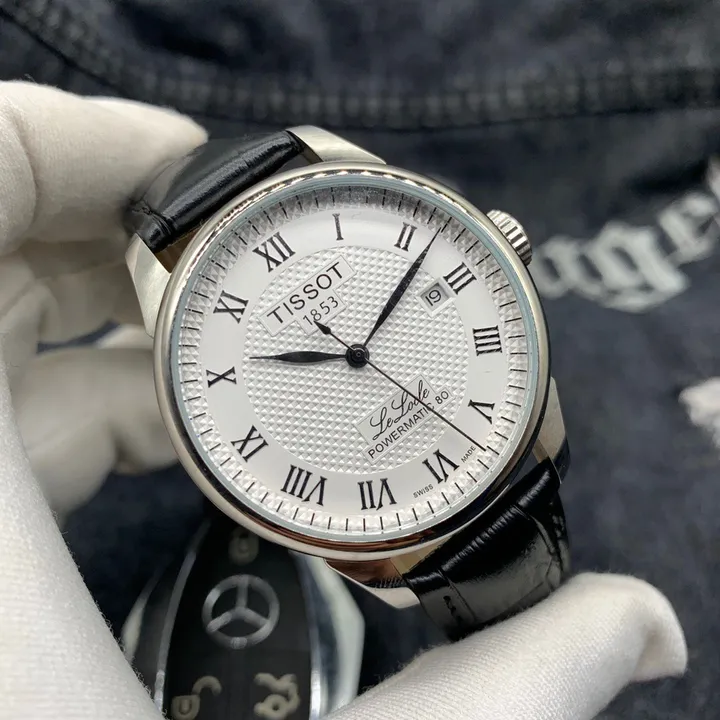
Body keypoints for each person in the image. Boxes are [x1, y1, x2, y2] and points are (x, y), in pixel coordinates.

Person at [0, 81, 687, 720]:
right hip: (405, 520)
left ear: (498, 245)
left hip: (508, 449)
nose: (356, 354)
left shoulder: (331, 170)